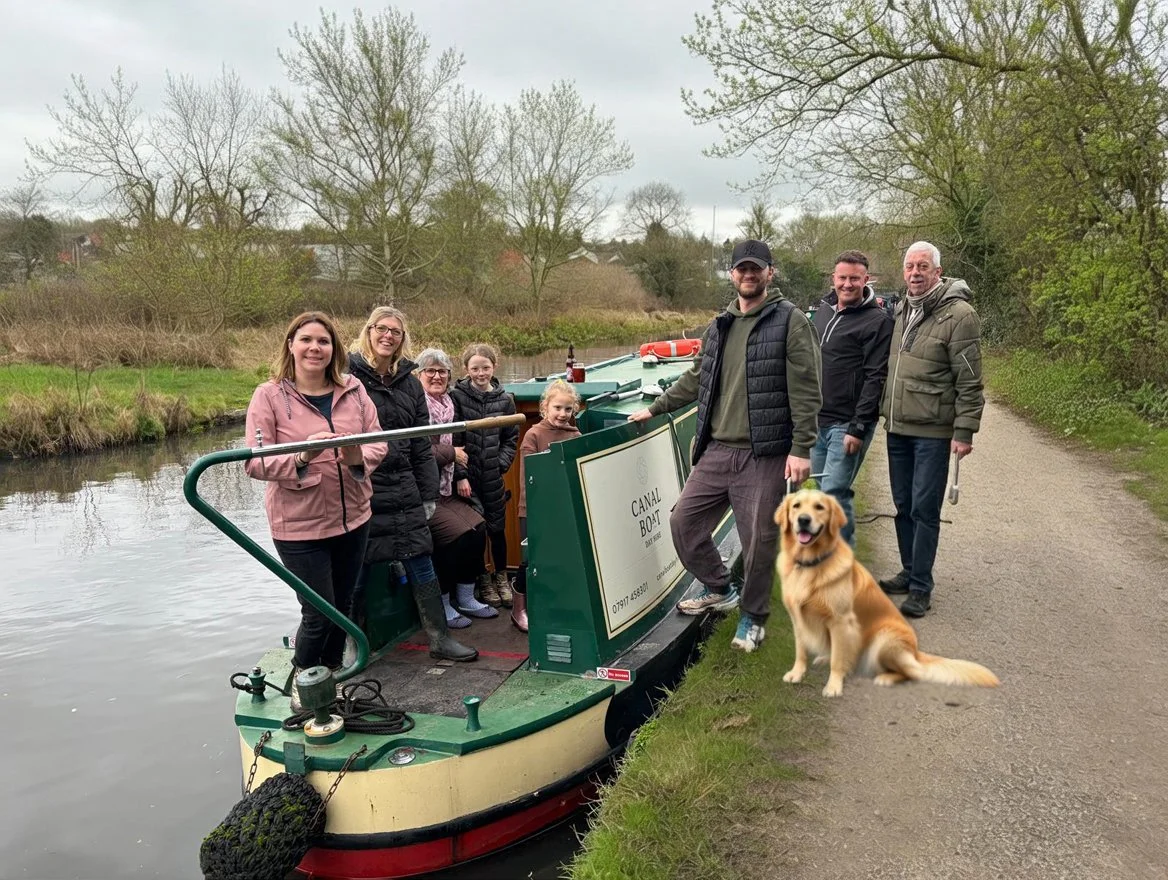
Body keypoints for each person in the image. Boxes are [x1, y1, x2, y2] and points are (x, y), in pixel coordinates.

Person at [628, 239, 822, 653]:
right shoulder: (719, 325)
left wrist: (802, 448)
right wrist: (656, 408)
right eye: (742, 269)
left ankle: (753, 617)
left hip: (765, 453)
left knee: (758, 542)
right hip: (717, 449)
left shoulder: (790, 321)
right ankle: (719, 588)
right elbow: (697, 378)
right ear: (732, 275)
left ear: (770, 273)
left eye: (756, 268)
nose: (749, 275)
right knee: (683, 522)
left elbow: (807, 390)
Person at [244, 311, 387, 707]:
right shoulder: (268, 396)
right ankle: (305, 680)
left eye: (323, 341)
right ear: (291, 345)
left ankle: (332, 675)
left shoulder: (354, 389)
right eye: (306, 340)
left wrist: (357, 457)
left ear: (333, 349)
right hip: (300, 526)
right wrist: (303, 456)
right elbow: (254, 462)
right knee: (318, 612)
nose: (314, 348)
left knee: (343, 606)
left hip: (354, 518)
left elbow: (379, 441)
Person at [348, 307, 477, 663]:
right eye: (381, 328)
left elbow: (421, 444)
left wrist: (428, 493)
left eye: (396, 331)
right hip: (363, 483)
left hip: (404, 483)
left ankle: (440, 638)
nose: (388, 336)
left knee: (421, 559)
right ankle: (354, 644)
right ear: (368, 330)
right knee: (358, 567)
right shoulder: (348, 377)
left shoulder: (409, 382)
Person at [878, 241, 984, 618]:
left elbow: (969, 379)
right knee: (903, 505)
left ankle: (921, 586)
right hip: (898, 426)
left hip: (933, 431)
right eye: (910, 266)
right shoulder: (901, 308)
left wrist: (964, 431)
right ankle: (909, 571)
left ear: (938, 271)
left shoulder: (960, 315)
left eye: (923, 266)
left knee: (925, 508)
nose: (915, 273)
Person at [810, 250, 893, 547]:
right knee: (825, 489)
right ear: (833, 278)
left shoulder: (878, 322)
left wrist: (858, 427)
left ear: (865, 279)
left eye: (854, 278)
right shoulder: (822, 311)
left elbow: (875, 377)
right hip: (817, 421)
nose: (847, 284)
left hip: (846, 424)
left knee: (833, 494)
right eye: (842, 277)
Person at [416, 347, 498, 623]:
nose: (437, 376)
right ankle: (441, 603)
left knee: (478, 528)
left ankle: (465, 597)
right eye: (430, 371)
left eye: (442, 371)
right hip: (424, 493)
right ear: (419, 375)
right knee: (455, 535)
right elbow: (417, 452)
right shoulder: (417, 406)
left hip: (445, 488)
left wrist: (459, 471)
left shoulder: (449, 404)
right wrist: (451, 454)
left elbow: (460, 445)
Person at [450, 343, 520, 610]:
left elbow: (510, 438)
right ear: (466, 369)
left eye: (486, 368)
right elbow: (454, 439)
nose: (481, 373)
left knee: (497, 529)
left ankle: (501, 578)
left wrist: (500, 464)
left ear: (494, 367)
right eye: (475, 368)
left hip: (492, 475)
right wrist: (461, 475)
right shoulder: (457, 397)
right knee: (476, 531)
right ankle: (483, 579)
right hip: (468, 478)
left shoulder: (505, 400)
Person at [513, 379, 583, 632]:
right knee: (530, 559)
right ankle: (519, 607)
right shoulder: (534, 435)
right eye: (557, 408)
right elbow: (529, 475)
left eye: (568, 409)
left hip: (563, 508)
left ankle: (554, 605)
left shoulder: (575, 435)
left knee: (560, 557)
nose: (562, 414)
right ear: (545, 408)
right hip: (534, 508)